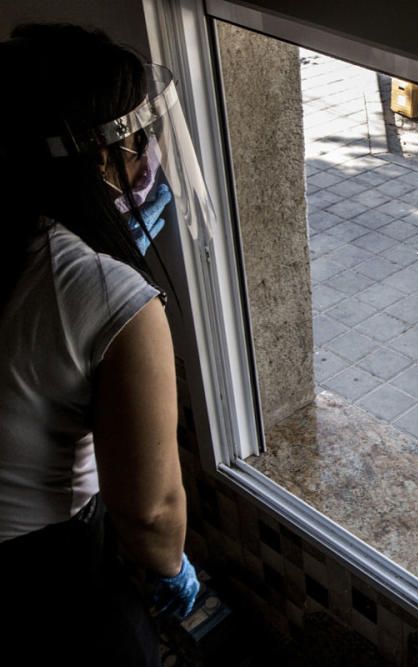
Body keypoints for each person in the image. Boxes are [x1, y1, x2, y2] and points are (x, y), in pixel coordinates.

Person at [0, 24, 198, 663]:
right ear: (90, 159)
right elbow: (149, 512)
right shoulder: (114, 299)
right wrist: (171, 566)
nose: (148, 159)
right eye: (135, 140)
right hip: (39, 580)